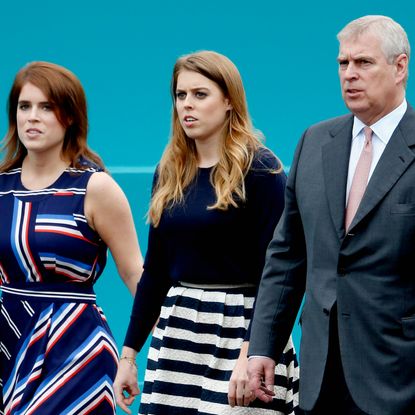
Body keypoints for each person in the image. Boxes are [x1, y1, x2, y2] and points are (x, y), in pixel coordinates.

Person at [114, 50, 301, 415]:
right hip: (179, 333)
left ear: (229, 100)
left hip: (244, 330)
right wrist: (129, 355)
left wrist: (253, 353)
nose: (187, 105)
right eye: (181, 95)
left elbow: (276, 274)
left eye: (200, 95)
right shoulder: (169, 171)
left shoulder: (262, 171)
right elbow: (155, 272)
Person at [247, 14, 413, 415]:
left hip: (401, 374)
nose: (350, 75)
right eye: (343, 64)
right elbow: (287, 255)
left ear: (400, 66)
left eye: (364, 63)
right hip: (321, 377)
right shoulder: (316, 141)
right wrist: (263, 347)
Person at [0, 61, 143, 414]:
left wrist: (137, 354)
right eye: (25, 106)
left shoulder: (95, 188)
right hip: (7, 343)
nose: (33, 117)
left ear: (71, 117)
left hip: (76, 351)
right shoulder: (1, 189)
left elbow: (136, 275)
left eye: (47, 107)